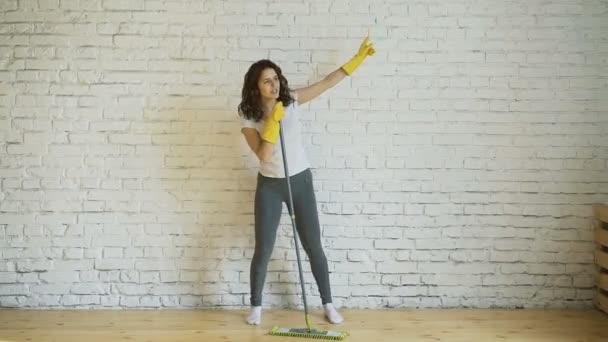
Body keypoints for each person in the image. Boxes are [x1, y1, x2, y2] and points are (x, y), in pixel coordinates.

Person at [237, 36, 376, 325]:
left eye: (275, 78)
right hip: (270, 187)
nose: (274, 85)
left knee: (313, 244)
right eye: (267, 81)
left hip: (300, 181)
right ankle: (256, 307)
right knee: (264, 247)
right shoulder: (249, 119)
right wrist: (273, 121)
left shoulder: (291, 101)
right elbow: (263, 154)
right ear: (255, 88)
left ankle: (328, 303)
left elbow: (326, 82)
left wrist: (356, 60)